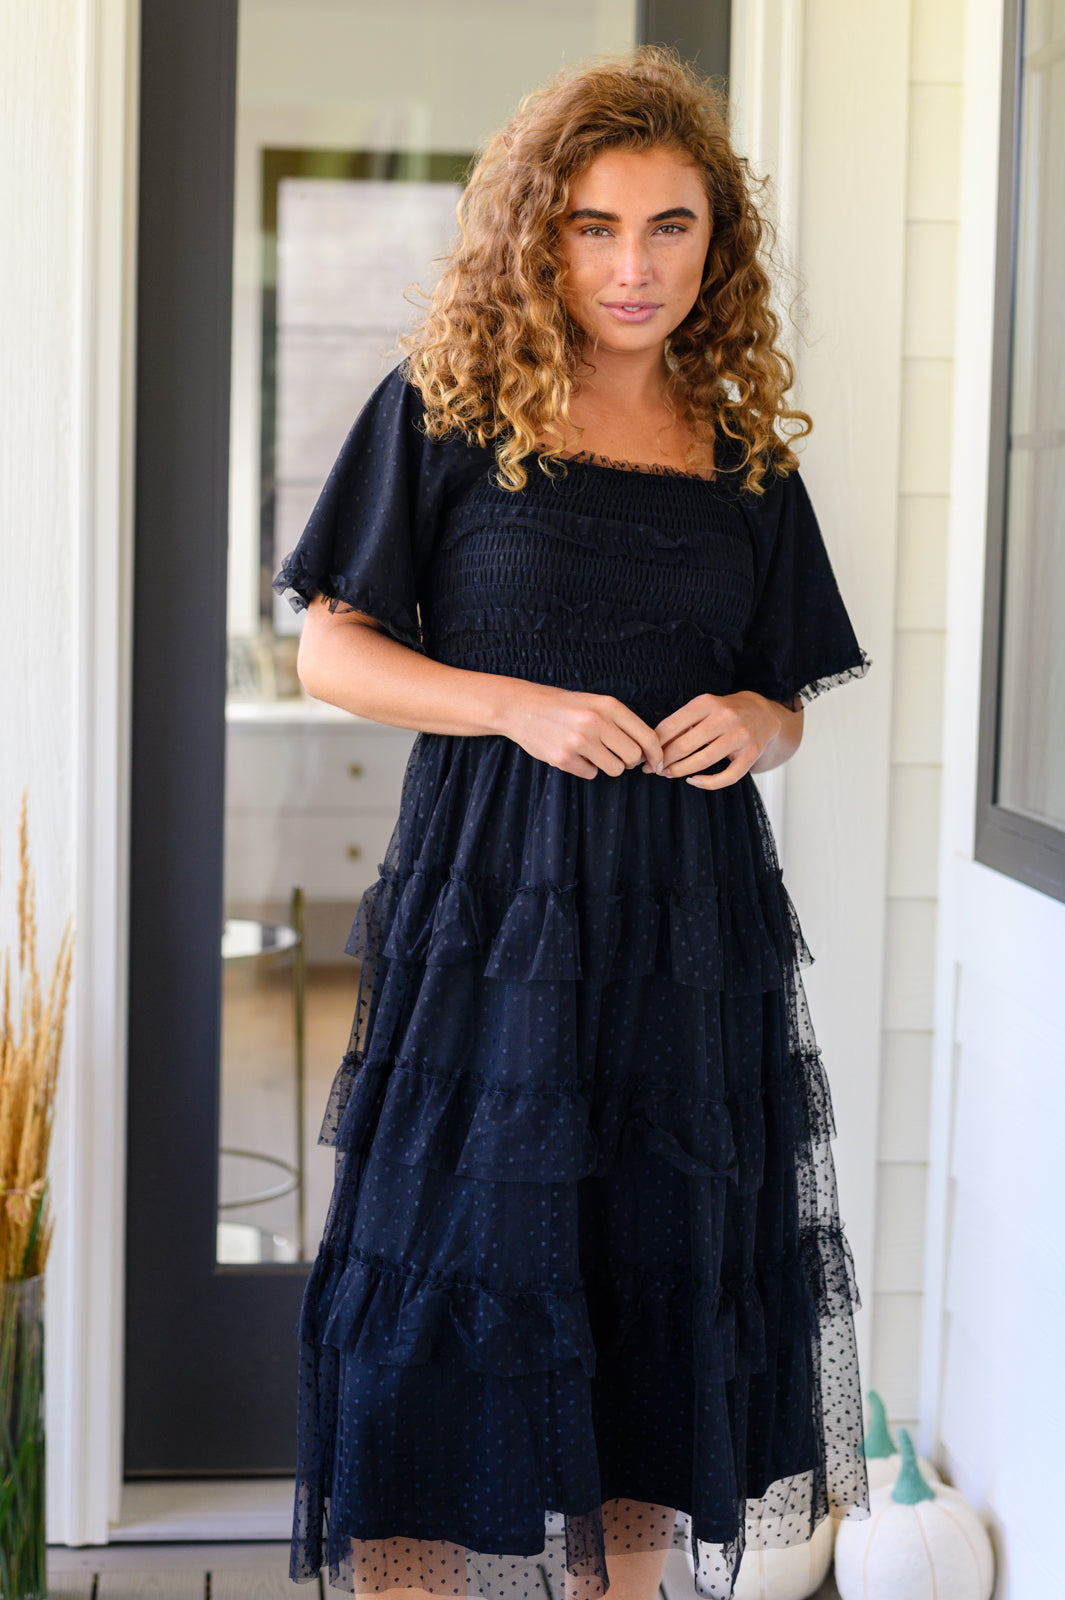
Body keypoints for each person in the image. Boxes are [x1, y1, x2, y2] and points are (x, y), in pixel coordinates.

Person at [275, 46, 872, 1600]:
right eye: (594, 226)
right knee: (437, 1303)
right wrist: (514, 705)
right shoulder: (448, 412)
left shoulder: (745, 462)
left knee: (649, 1307)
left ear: (714, 243)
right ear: (537, 233)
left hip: (686, 938)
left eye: (670, 226)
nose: (632, 266)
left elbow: (782, 696)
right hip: (491, 919)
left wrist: (757, 725)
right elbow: (330, 650)